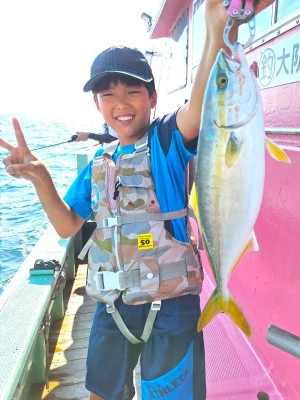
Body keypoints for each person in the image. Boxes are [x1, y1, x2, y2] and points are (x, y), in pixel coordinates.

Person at [0, 1, 274, 399]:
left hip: (172, 309)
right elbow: (66, 226)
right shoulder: (99, 163)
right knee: (101, 395)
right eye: (108, 95)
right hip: (111, 309)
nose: (121, 103)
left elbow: (197, 110)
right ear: (97, 104)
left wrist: (216, 30)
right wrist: (41, 177)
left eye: (132, 91)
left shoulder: (168, 142)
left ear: (153, 97)